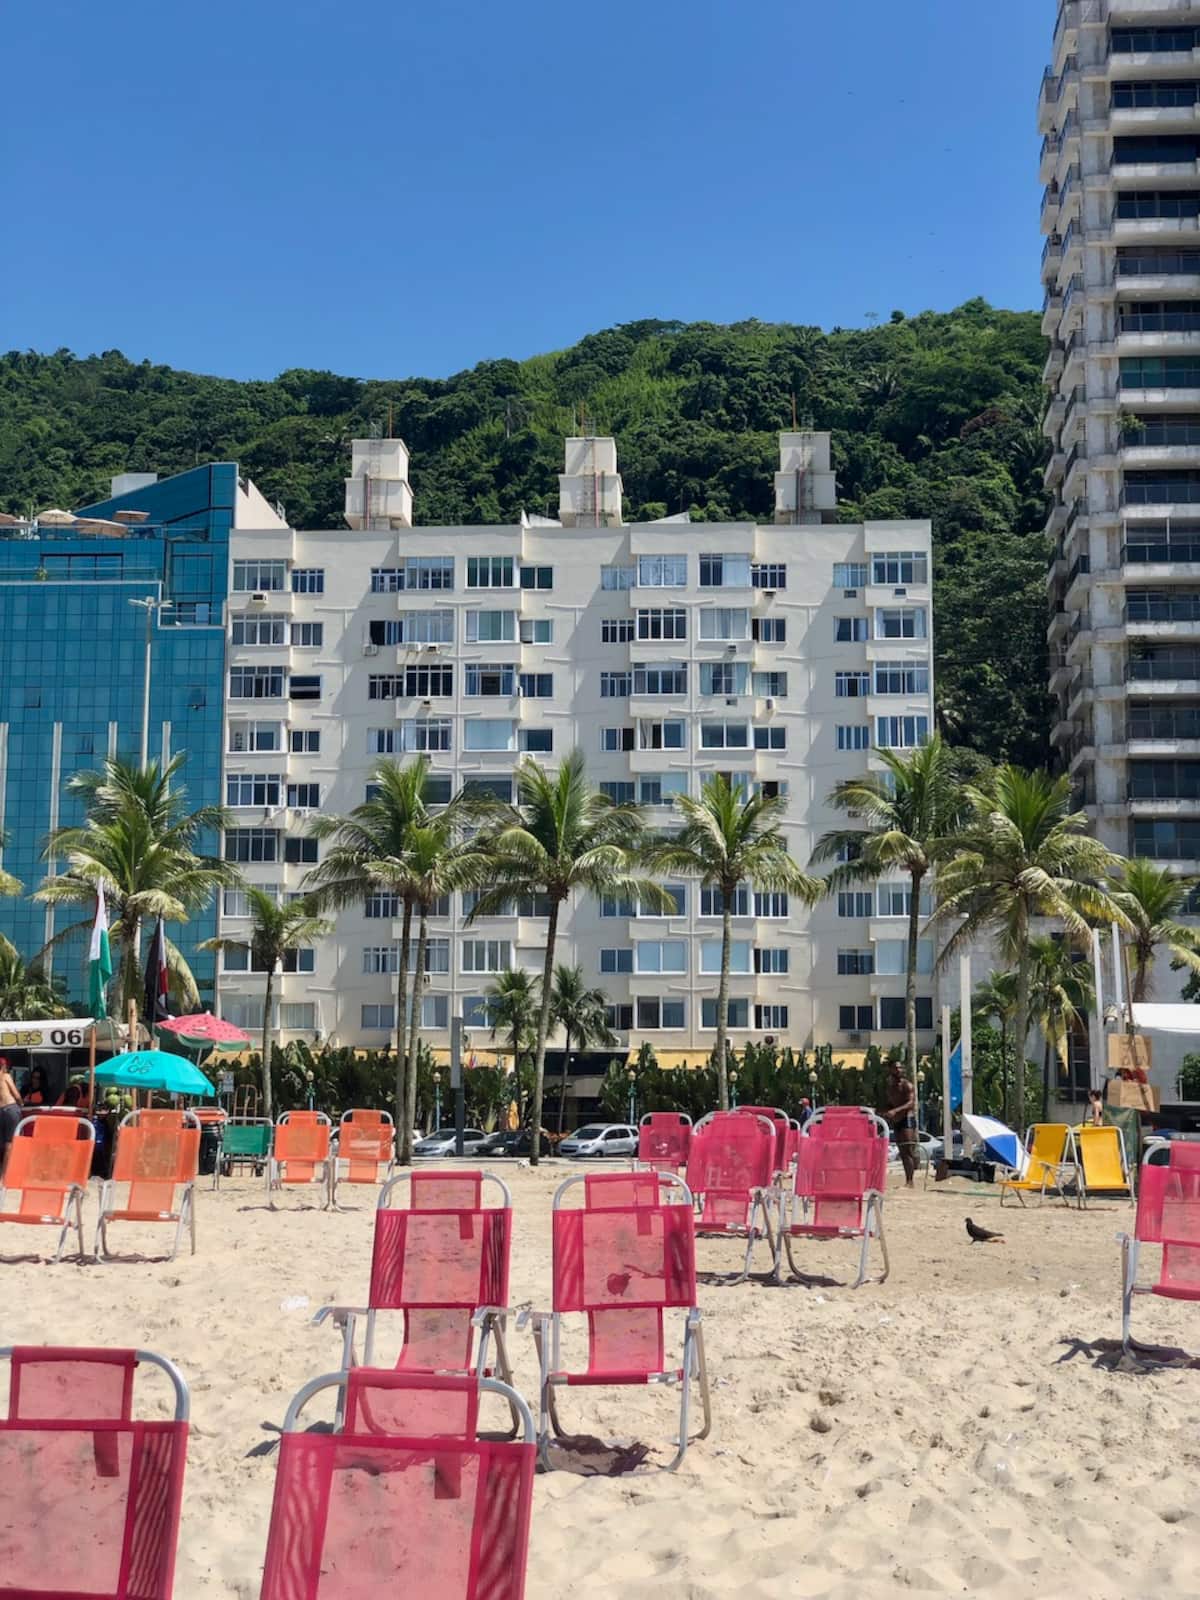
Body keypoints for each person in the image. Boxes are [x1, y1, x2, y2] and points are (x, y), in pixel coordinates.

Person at [881, 1059, 918, 1187]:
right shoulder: (890, 1088)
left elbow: (910, 1103)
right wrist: (885, 1111)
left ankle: (910, 1180)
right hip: (897, 1120)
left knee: (908, 1149)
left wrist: (895, 1111)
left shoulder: (907, 1085)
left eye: (900, 1068)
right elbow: (889, 1103)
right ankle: (908, 1180)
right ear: (891, 1070)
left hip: (907, 1119)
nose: (898, 1070)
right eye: (895, 1068)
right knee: (902, 1152)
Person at [0, 1057, 23, 1169]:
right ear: (3, 1066)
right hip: (10, 1108)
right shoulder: (5, 1076)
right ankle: (5, 1175)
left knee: (2, 1143)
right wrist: (21, 1103)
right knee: (10, 1142)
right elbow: (16, 1094)